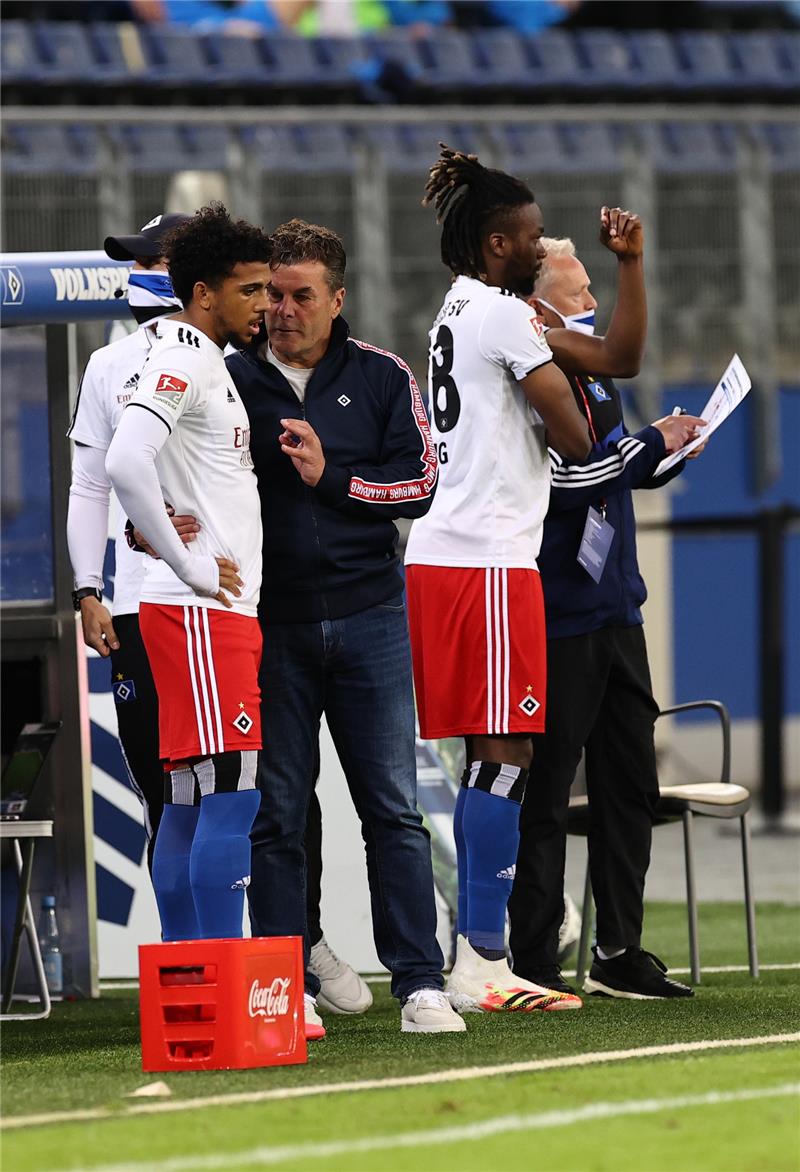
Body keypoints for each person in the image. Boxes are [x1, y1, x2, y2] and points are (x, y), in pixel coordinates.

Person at [226, 217, 464, 1036]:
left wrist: (336, 480)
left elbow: (424, 484)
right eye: (270, 295)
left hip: (371, 618)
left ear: (338, 298)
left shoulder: (385, 377)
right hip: (271, 627)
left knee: (391, 807)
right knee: (278, 812)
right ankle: (287, 978)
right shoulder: (227, 380)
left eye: (299, 296)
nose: (281, 311)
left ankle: (421, 984)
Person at [404, 145, 591, 1014]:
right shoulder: (505, 315)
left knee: (495, 757)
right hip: (484, 561)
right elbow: (579, 439)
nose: (538, 244)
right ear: (493, 246)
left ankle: (480, 953)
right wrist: (567, 387)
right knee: (506, 754)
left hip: (453, 554)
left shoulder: (458, 308)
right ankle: (482, 954)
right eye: (527, 237)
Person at [507, 226, 705, 1000]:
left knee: (631, 785)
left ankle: (620, 949)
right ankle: (532, 957)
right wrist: (642, 446)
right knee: (548, 788)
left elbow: (609, 472)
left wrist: (663, 452)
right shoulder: (525, 371)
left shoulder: (591, 375)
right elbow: (561, 482)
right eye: (579, 287)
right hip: (558, 615)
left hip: (617, 608)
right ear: (538, 301)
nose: (592, 299)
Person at [106, 204, 271, 946]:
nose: (264, 304)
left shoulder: (197, 356)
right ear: (204, 293)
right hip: (202, 614)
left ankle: (189, 982)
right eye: (251, 290)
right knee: (229, 794)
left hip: (201, 615)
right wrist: (192, 566)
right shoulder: (182, 359)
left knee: (186, 795)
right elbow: (122, 461)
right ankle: (220, 975)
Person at [67, 212, 193, 874]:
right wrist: (89, 589)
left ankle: (292, 957)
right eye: (136, 262)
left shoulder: (238, 360)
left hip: (224, 604)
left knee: (246, 791)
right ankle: (185, 961)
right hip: (136, 608)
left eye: (154, 261)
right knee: (158, 786)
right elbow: (88, 487)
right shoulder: (107, 363)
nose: (137, 276)